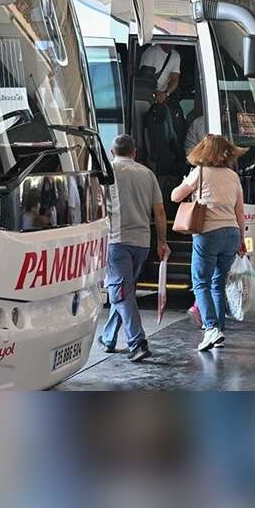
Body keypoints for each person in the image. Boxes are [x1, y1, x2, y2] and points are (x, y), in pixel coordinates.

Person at [170, 134, 247, 352]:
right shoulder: (233, 176)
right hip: (231, 233)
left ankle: (211, 328)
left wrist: (186, 181)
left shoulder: (200, 172)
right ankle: (218, 330)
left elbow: (175, 196)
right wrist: (241, 239)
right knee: (218, 283)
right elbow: (239, 210)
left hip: (208, 234)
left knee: (200, 283)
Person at [98, 135, 169, 362]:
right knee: (124, 291)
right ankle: (108, 337)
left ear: (112, 152)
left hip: (117, 241)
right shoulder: (147, 174)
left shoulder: (108, 172)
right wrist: (162, 241)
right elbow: (159, 212)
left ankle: (137, 343)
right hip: (142, 243)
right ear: (134, 152)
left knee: (121, 292)